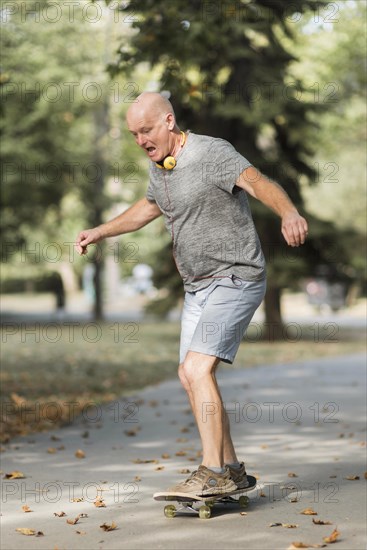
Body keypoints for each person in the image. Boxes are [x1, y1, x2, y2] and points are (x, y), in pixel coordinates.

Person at [75, 92, 308, 497]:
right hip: (197, 286)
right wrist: (100, 232)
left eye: (145, 130)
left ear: (168, 122)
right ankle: (231, 469)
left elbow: (259, 184)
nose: (140, 140)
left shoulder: (211, 153)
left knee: (198, 369)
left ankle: (212, 470)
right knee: (190, 375)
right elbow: (146, 209)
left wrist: (288, 212)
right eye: (133, 134)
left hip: (235, 277)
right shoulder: (160, 169)